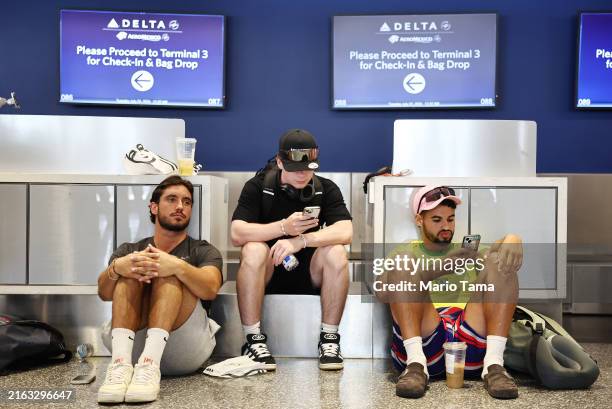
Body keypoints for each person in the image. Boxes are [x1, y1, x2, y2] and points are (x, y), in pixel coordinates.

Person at [383, 185, 523, 399]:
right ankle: (415, 365)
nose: (446, 226)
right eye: (437, 220)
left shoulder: (466, 251)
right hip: (426, 340)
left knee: (499, 262)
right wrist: (439, 269)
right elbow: (382, 291)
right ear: (419, 220)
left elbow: (498, 258)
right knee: (403, 265)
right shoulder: (404, 252)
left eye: (450, 218)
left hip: (469, 341)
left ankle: (494, 365)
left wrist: (513, 239)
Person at [231, 129, 353, 371]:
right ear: (279, 162)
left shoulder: (325, 189)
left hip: (311, 274)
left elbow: (346, 230)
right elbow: (237, 233)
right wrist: (282, 227)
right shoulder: (257, 187)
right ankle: (253, 340)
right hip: (266, 273)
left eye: (308, 168)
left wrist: (300, 241)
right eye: (295, 168)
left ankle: (329, 340)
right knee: (253, 249)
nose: (302, 174)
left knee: (337, 251)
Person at [97, 176, 223, 404]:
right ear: (154, 207)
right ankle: (119, 367)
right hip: (131, 347)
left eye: (187, 202)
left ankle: (150, 364)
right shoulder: (130, 249)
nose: (180, 207)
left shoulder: (202, 250)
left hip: (185, 348)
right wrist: (117, 268)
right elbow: (104, 293)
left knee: (170, 272)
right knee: (131, 267)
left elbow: (211, 289)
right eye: (172, 200)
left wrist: (177, 266)